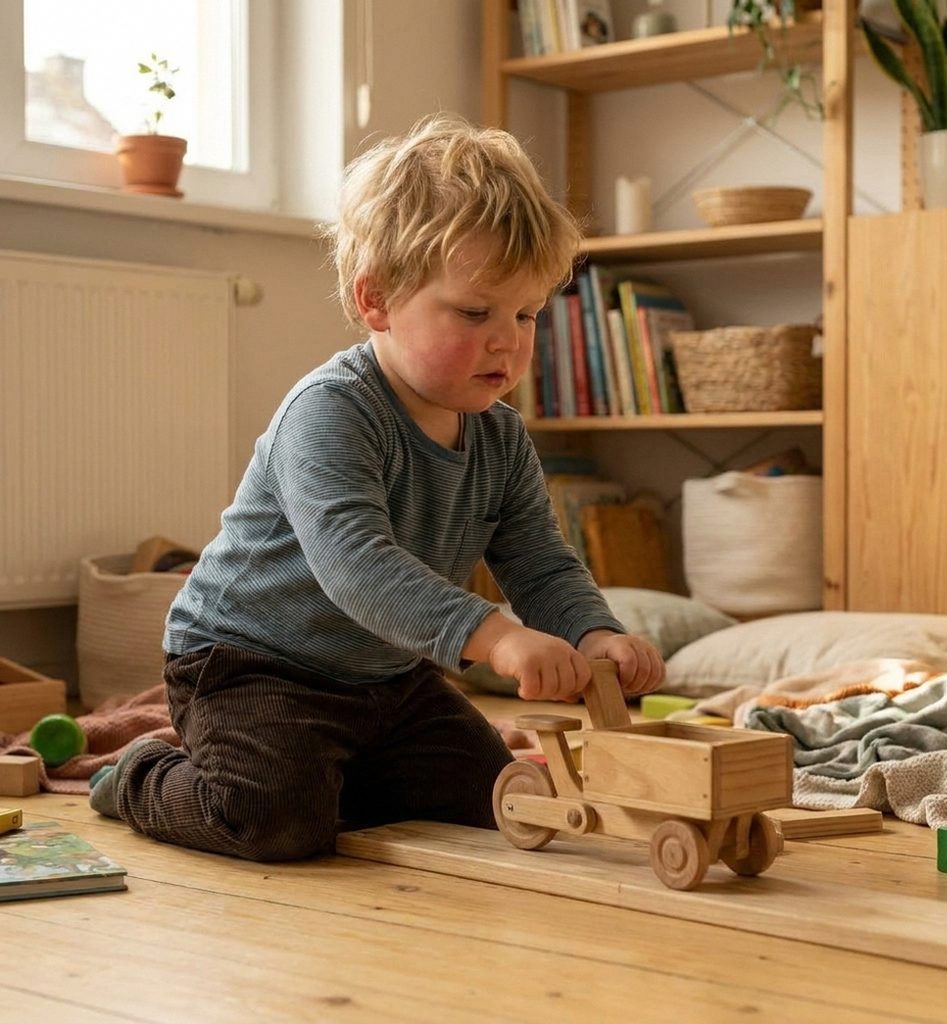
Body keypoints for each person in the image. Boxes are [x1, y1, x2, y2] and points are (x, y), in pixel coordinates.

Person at [89, 113, 665, 861]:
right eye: (475, 312)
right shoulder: (330, 411)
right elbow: (358, 567)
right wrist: (497, 638)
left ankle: (329, 774)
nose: (508, 339)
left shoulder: (501, 436)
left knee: (496, 800)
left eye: (526, 314)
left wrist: (594, 634)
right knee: (276, 822)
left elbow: (539, 561)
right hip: (253, 664)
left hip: (387, 676)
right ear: (378, 300)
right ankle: (139, 775)